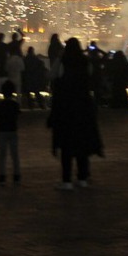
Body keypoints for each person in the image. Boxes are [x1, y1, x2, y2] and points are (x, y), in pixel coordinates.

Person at [46, 38, 103, 188]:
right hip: (83, 107)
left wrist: (59, 57)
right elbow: (90, 75)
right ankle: (83, 177)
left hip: (66, 108)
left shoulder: (62, 61)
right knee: (82, 144)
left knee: (66, 144)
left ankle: (67, 180)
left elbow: (51, 75)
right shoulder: (85, 62)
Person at [0, 83, 22, 185]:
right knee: (14, 154)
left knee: (2, 154)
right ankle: (16, 175)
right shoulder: (15, 104)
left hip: (2, 131)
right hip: (13, 130)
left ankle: (2, 175)